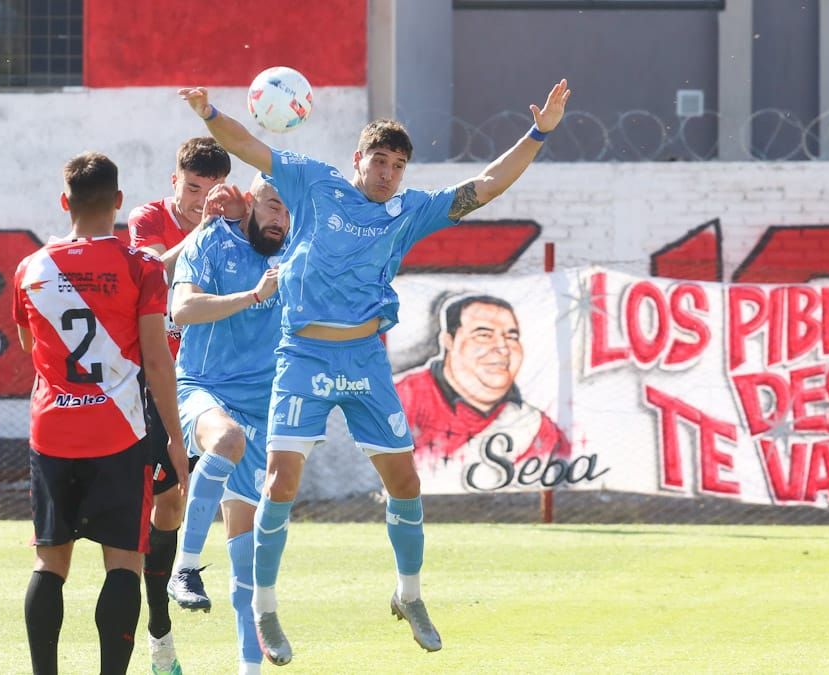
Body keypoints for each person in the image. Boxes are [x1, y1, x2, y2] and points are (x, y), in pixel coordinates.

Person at [178, 78, 571, 664]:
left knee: (405, 484)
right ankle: (264, 607)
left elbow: (483, 187)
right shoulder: (314, 183)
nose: (388, 172)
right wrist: (210, 112)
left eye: (398, 165)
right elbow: (250, 148)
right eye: (379, 160)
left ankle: (408, 594)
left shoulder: (408, 211)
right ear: (358, 159)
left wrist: (538, 132)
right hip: (305, 354)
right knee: (279, 482)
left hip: (364, 359)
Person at [14, 151, 187, 675]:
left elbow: (29, 343)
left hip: (52, 432)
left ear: (64, 202)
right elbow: (157, 359)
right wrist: (176, 442)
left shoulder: (31, 268)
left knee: (51, 560)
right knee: (124, 562)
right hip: (119, 431)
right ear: (117, 202)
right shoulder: (141, 266)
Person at [168, 175, 289, 675]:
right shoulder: (212, 239)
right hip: (202, 387)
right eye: (273, 206)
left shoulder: (298, 248)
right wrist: (252, 296)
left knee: (247, 551)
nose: (280, 219)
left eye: (288, 210)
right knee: (226, 439)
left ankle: (248, 668)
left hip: (264, 406)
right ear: (249, 204)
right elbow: (182, 309)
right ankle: (186, 566)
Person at [126, 136, 230, 674]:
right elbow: (146, 275)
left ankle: (167, 621)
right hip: (149, 381)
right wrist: (202, 231)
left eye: (210, 192)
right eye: (191, 188)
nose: (198, 201)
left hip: (203, 381)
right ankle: (157, 633)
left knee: (178, 503)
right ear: (176, 181)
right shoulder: (149, 219)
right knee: (151, 507)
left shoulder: (230, 225)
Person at [395, 295, 569, 485]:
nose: (502, 348)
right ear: (449, 341)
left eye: (511, 337)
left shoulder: (539, 429)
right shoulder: (400, 401)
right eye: (484, 335)